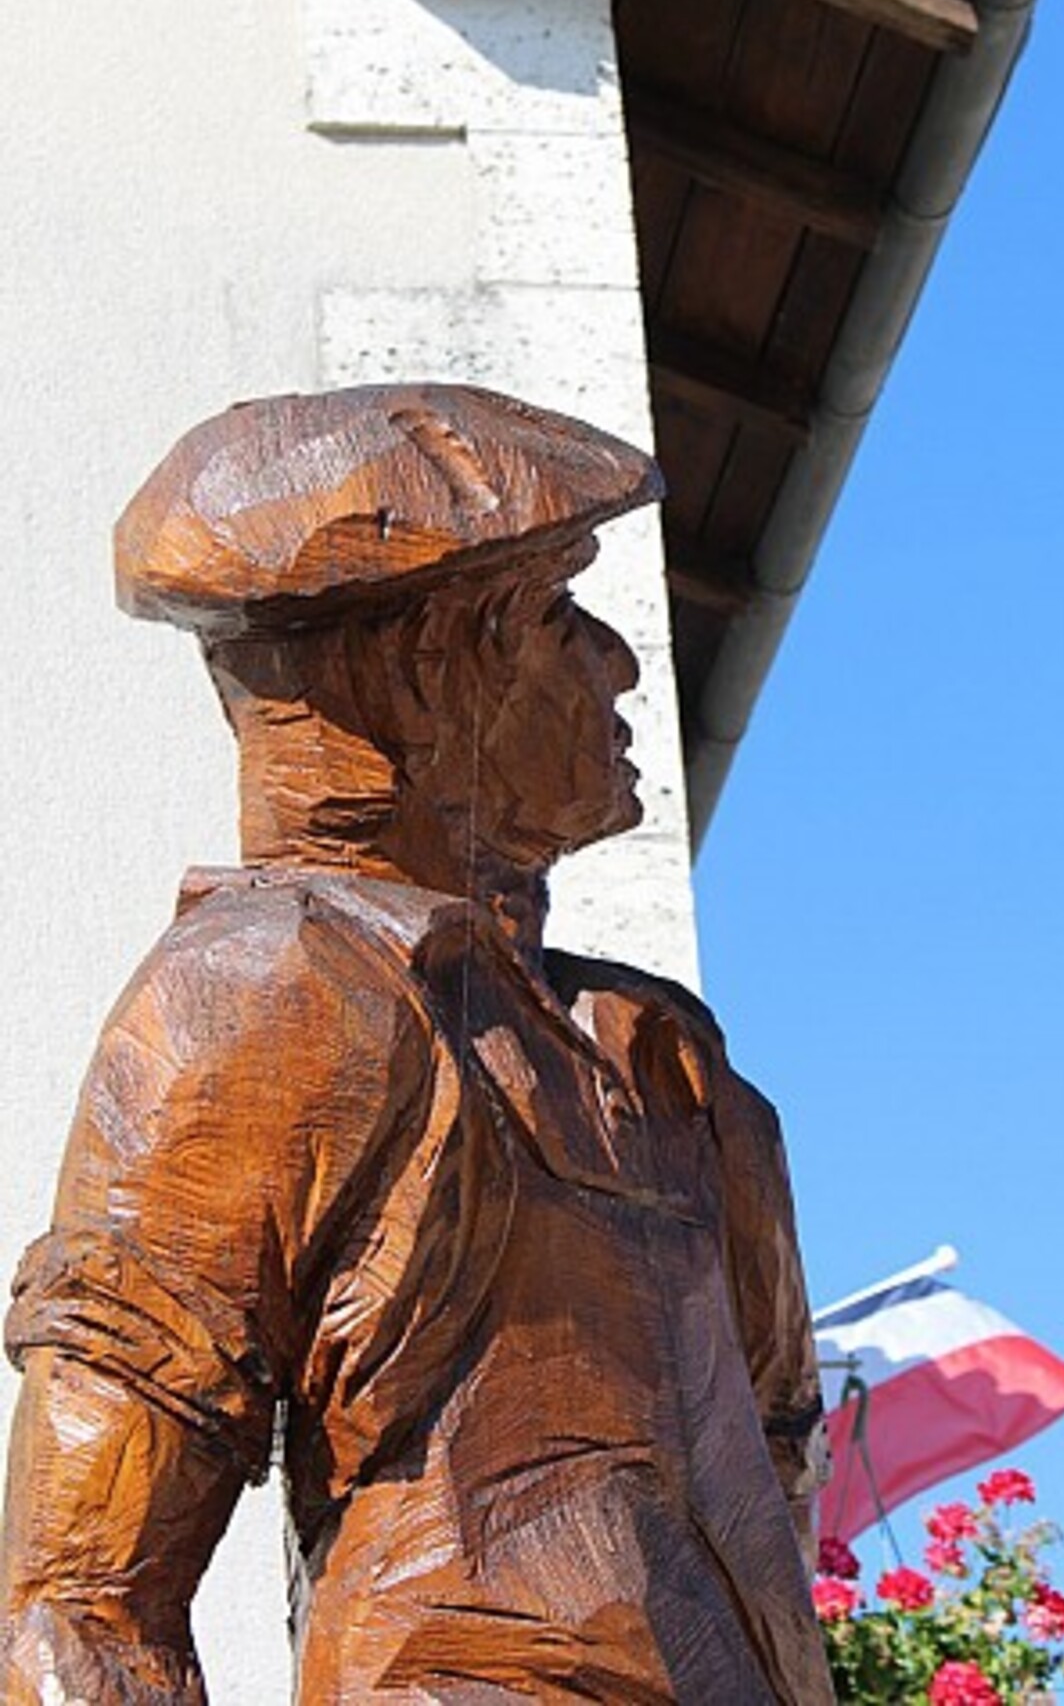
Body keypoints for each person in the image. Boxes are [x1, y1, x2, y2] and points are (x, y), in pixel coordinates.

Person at [0, 386, 834, 1704]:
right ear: (429, 670)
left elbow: (778, 1478)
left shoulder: (671, 1066)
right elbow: (81, 1607)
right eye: (558, 615)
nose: (616, 663)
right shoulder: (270, 995)